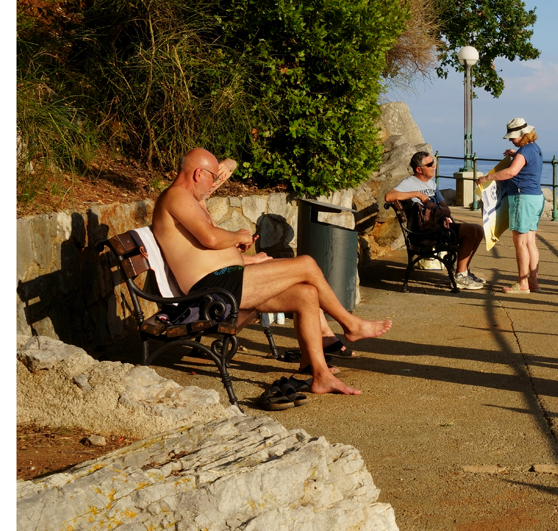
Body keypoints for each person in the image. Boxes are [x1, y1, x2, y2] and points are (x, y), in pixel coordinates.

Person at [152, 148, 393, 396]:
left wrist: (226, 164)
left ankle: (321, 375)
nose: (214, 184)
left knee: (306, 294)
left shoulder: (189, 198)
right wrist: (238, 236)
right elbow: (211, 239)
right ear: (198, 174)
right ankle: (351, 325)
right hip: (212, 292)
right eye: (211, 178)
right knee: (307, 264)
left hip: (224, 282)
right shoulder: (176, 196)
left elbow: (202, 245)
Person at [384, 151, 486, 290]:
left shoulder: (432, 184)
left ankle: (463, 271)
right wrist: (417, 194)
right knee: (471, 231)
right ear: (419, 169)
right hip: (425, 232)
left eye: (434, 163)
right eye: (430, 164)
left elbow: (446, 210)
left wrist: (436, 208)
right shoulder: (409, 183)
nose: (434, 166)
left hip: (439, 226)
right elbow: (389, 196)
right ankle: (460, 276)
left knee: (478, 230)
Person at [476, 118, 544, 293]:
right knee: (530, 242)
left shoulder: (524, 152)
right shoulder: (534, 149)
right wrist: (515, 155)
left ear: (522, 135)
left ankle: (522, 283)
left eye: (513, 137)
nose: (511, 140)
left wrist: (487, 178)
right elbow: (524, 164)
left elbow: (511, 172)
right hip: (535, 197)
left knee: (520, 242)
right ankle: (533, 281)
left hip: (522, 198)